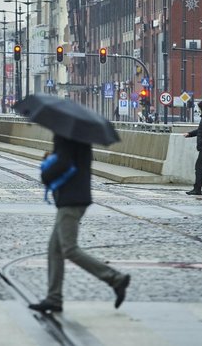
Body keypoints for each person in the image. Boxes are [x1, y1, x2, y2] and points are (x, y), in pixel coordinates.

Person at [28, 134, 131, 314]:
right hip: (77, 196)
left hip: (71, 198)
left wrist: (46, 173)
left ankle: (115, 278)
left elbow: (64, 163)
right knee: (55, 249)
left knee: (69, 248)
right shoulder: (79, 135)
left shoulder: (64, 135)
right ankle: (54, 298)